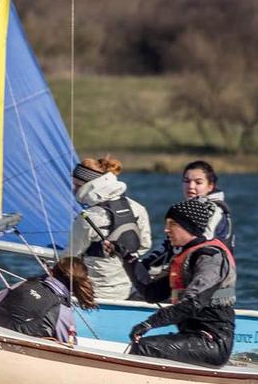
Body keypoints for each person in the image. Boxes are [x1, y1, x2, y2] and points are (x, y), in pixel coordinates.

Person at [125, 197, 236, 368]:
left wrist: (149, 323)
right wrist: (127, 259)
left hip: (213, 342)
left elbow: (193, 303)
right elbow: (151, 293)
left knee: (146, 347)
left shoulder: (211, 257)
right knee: (145, 346)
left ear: (188, 226)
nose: (166, 229)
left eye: (172, 224)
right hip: (192, 337)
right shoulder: (185, 257)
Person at [67, 156, 152, 300]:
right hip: (127, 289)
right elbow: (145, 245)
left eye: (76, 185)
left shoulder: (88, 217)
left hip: (95, 293)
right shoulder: (139, 209)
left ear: (89, 185)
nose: (74, 189)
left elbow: (70, 258)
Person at [144, 161, 235, 274]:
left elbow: (202, 243)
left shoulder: (215, 209)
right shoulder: (190, 208)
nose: (191, 186)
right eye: (187, 181)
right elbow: (169, 246)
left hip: (209, 277)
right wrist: (145, 264)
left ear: (210, 186)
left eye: (198, 182)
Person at [0, 257, 98, 344]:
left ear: (52, 271)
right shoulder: (63, 310)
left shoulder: (24, 284)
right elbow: (69, 346)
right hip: (23, 356)